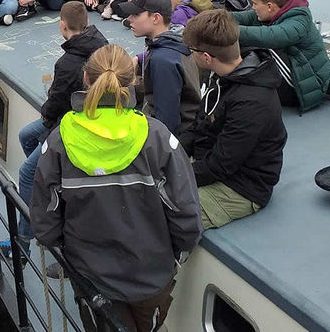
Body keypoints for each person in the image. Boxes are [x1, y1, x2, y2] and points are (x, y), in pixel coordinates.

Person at [30, 44, 202, 332]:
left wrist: (63, 250)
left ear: (85, 79)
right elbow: (185, 212)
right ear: (133, 81)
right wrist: (177, 253)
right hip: (151, 276)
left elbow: (45, 221)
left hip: (91, 278)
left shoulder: (59, 141)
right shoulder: (158, 137)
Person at [14, 2, 107, 254]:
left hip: (67, 125)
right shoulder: (101, 41)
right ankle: (49, 177)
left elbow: (57, 102)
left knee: (25, 174)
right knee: (25, 136)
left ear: (62, 25)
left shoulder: (68, 62)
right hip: (66, 116)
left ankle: (26, 235)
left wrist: (46, 117)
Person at [182, 10, 287, 229]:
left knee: (157, 213)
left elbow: (220, 166)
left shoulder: (251, 102)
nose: (189, 54)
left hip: (240, 187)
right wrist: (169, 154)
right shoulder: (220, 74)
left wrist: (174, 174)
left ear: (206, 57)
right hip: (209, 162)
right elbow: (198, 125)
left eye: (191, 50)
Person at [232, 0, 330, 112]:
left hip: (305, 86)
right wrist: (213, 17)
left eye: (254, 4)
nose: (252, 7)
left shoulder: (299, 20)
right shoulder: (277, 9)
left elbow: (271, 37)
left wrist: (228, 30)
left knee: (259, 48)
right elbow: (243, 17)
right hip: (297, 75)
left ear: (270, 6)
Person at [120, 0, 202, 141]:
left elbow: (166, 122)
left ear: (156, 18)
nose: (130, 18)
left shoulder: (163, 60)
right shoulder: (173, 41)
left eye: (136, 14)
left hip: (173, 140)